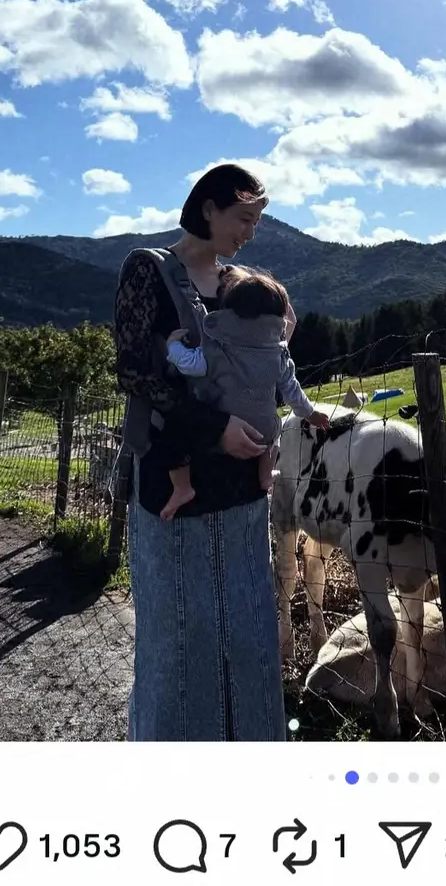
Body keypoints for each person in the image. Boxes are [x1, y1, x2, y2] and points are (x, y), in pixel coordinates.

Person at [114, 162, 290, 741]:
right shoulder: (149, 270)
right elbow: (139, 373)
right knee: (179, 635)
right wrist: (216, 428)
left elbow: (263, 365)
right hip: (176, 480)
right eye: (244, 217)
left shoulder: (242, 284)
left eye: (257, 221)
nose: (250, 232)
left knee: (247, 630)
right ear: (208, 209)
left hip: (242, 486)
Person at [161, 265, 329, 519]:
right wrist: (310, 414)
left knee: (173, 432)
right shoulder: (279, 355)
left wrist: (172, 346)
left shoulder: (219, 349)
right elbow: (292, 390)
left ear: (231, 314)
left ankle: (182, 487)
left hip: (222, 426)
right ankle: (264, 475)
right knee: (276, 430)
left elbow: (190, 364)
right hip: (263, 431)